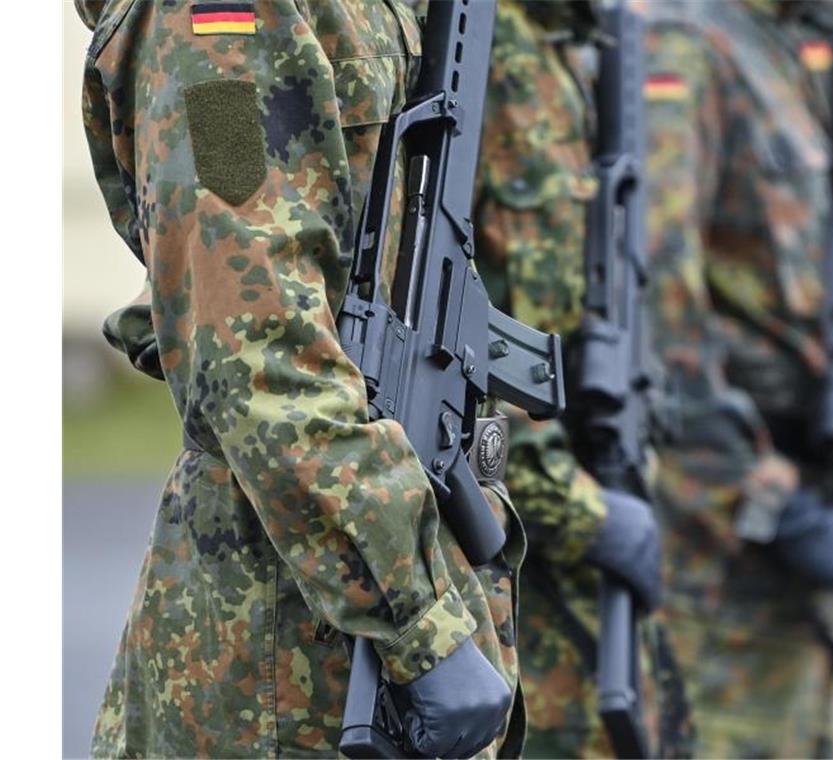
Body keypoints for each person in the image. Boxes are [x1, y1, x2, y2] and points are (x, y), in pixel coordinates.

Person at [77, 1, 525, 756]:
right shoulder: (221, 20)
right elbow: (254, 342)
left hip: (367, 605)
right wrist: (422, 622)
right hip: (288, 659)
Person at [643, 2, 833, 756]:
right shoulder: (686, 45)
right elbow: (654, 310)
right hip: (711, 550)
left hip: (790, 501)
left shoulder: (778, 47)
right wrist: (767, 505)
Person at [472, 2, 693, 756]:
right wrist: (576, 512)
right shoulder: (481, 38)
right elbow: (460, 347)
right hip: (515, 566)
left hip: (592, 533)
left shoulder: (563, 46)